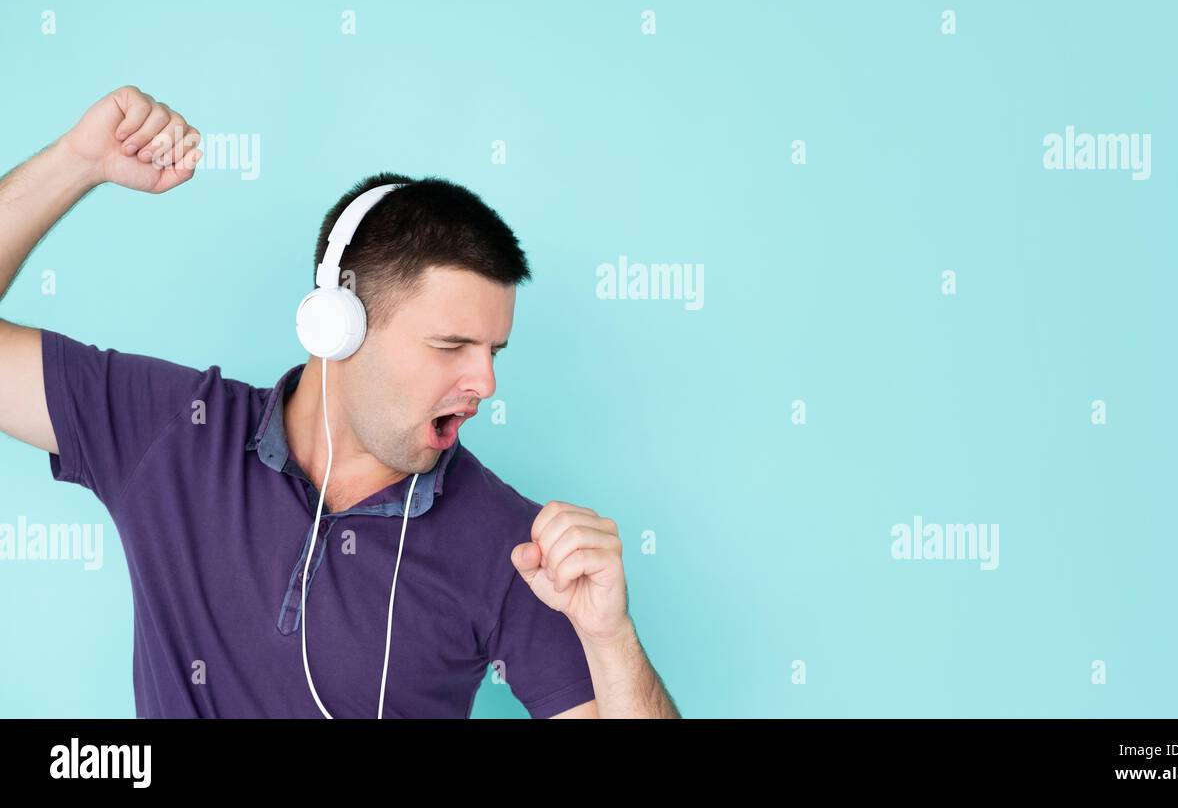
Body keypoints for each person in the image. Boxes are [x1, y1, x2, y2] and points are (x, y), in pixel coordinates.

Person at [0, 85, 679, 718]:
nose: (486, 384)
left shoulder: (515, 549)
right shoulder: (172, 429)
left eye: (493, 351)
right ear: (337, 326)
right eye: (451, 346)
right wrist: (76, 163)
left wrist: (609, 636)